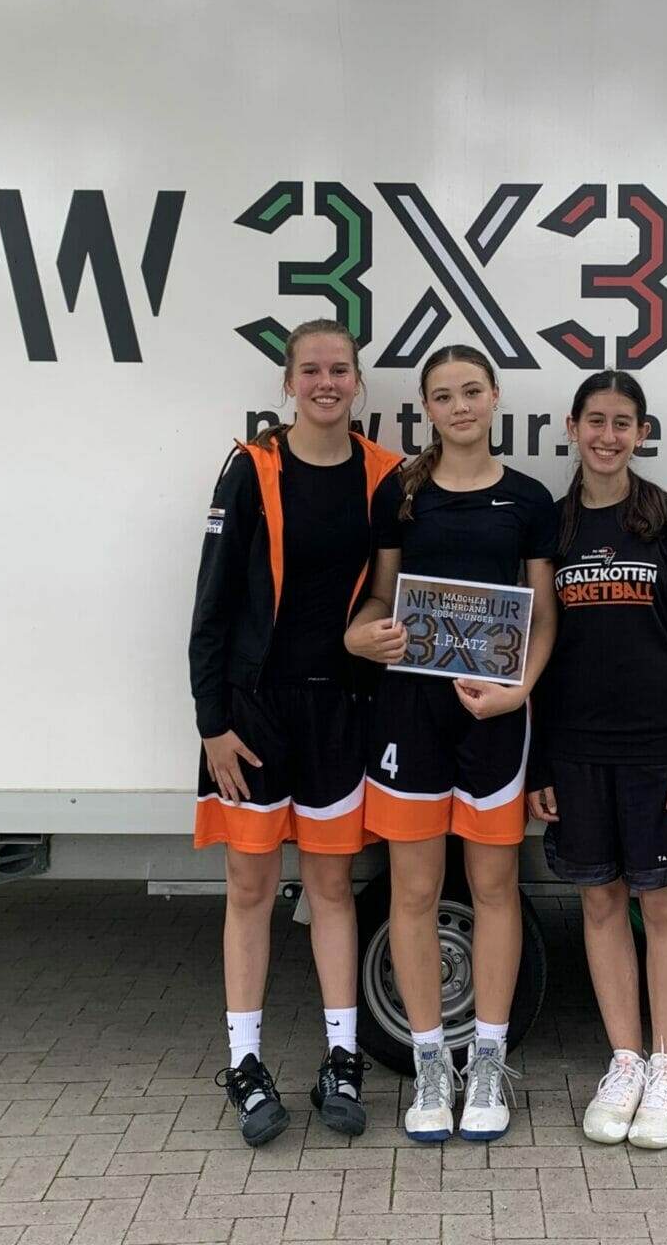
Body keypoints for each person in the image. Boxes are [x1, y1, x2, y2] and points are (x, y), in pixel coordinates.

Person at [189, 319, 402, 1148]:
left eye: (339, 369)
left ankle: (342, 1062)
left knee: (332, 891)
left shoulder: (382, 475)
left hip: (337, 712)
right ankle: (244, 1065)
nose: (325, 382)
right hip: (252, 717)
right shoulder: (252, 468)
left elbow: (388, 591)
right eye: (310, 369)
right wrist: (212, 725)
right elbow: (211, 607)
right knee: (248, 889)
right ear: (288, 382)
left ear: (358, 381)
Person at [345, 343, 558, 1144]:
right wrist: (366, 634)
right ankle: (431, 1063)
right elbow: (378, 598)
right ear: (426, 409)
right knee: (413, 892)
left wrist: (520, 689)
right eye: (443, 395)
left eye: (472, 391)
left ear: (495, 396)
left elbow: (543, 613)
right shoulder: (401, 492)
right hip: (409, 713)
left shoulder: (529, 499)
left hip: (493, 717)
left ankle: (490, 1062)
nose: (460, 406)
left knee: (495, 887)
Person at [528, 370, 667, 1150]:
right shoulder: (552, 527)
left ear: (642, 433)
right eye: (596, 420)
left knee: (663, 905)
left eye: (623, 423)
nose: (608, 436)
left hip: (655, 754)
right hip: (576, 752)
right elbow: (538, 648)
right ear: (572, 426)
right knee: (601, 903)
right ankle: (626, 1062)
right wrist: (539, 764)